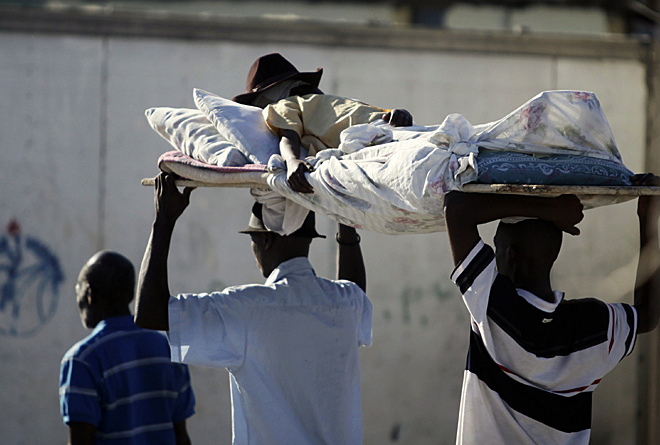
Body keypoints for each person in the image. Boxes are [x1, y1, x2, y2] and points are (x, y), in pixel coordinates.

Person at [135, 172, 372, 444]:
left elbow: (150, 314)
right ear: (308, 239)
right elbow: (356, 289)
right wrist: (345, 217)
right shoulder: (344, 303)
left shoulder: (245, 309)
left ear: (265, 240)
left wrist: (163, 221)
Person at [442, 173, 660, 444]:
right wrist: (648, 218)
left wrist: (549, 210)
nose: (494, 255)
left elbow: (455, 208)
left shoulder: (493, 309)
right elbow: (648, 314)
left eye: (496, 248)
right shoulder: (593, 326)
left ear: (511, 255)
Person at [59, 251, 196, 445]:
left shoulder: (82, 360)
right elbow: (181, 436)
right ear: (130, 294)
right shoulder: (168, 349)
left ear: (89, 294)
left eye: (78, 289)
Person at [232, 52, 413, 193]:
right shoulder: (324, 103)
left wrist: (293, 161)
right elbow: (370, 114)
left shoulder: (285, 105)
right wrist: (399, 114)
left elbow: (288, 136)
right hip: (387, 133)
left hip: (376, 136)